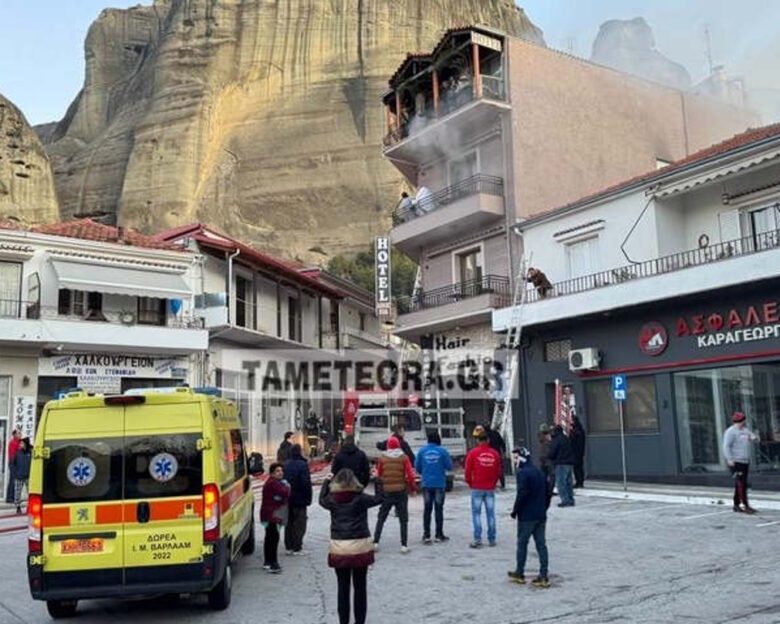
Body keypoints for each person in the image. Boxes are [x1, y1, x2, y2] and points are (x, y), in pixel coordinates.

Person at [320, 469, 383, 624]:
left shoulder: (332, 499)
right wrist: (377, 480)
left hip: (339, 547)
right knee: (360, 588)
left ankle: (344, 622)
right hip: (360, 547)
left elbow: (321, 500)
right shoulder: (361, 498)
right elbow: (380, 498)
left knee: (343, 588)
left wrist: (326, 482)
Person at [508, 447, 551, 588]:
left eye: (515, 458)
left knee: (522, 543)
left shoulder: (523, 474)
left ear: (520, 458)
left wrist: (515, 511)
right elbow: (548, 492)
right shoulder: (539, 472)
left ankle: (519, 572)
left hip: (527, 516)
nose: (514, 461)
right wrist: (544, 508)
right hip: (540, 515)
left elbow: (522, 494)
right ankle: (544, 575)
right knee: (541, 545)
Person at [373, 436, 416, 553]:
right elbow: (410, 475)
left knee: (381, 517)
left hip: (387, 491)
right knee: (403, 519)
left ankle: (375, 542)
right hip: (401, 491)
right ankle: (404, 545)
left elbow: (379, 474)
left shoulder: (382, 458)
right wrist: (412, 489)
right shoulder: (404, 458)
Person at [464, 426, 502, 548]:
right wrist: (493, 483)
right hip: (489, 488)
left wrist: (470, 483)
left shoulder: (473, 453)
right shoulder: (495, 454)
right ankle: (492, 539)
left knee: (476, 514)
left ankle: (478, 539)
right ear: (488, 440)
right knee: (490, 514)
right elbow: (498, 472)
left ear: (477, 441)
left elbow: (467, 471)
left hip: (477, 487)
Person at [415, 431, 453, 543]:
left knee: (427, 510)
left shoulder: (422, 451)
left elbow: (417, 467)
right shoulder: (443, 451)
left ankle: (426, 535)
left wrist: (425, 471)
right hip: (439, 484)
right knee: (439, 509)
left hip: (426, 484)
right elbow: (449, 466)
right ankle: (439, 534)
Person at [723, 411, 760, 514]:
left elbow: (752, 437)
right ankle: (744, 505)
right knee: (741, 484)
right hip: (736, 462)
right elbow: (726, 446)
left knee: (739, 484)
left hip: (745, 461)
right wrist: (729, 459)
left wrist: (756, 438)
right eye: (744, 420)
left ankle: (736, 505)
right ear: (742, 420)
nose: (745, 422)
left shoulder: (745, 431)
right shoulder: (730, 432)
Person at [260, 462, 290, 573]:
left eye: (281, 470)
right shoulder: (274, 483)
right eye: (277, 471)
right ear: (272, 472)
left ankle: (268, 562)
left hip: (268, 514)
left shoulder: (272, 482)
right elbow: (284, 493)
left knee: (269, 538)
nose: (280, 473)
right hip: (272, 515)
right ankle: (274, 563)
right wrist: (287, 486)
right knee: (273, 538)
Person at [282, 444, 312, 555]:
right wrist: (308, 498)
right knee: (299, 523)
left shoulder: (286, 464)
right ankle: (297, 546)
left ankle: (288, 545)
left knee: (289, 523)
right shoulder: (302, 465)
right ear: (300, 451)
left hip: (288, 499)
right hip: (300, 499)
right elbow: (306, 483)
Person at [548, 425, 575, 507]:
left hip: (560, 463)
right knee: (568, 483)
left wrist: (550, 457)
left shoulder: (556, 440)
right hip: (569, 463)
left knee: (561, 483)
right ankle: (570, 499)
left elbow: (552, 452)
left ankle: (565, 500)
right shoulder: (566, 438)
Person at [485, 422, 507, 490]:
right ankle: (502, 484)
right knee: (499, 470)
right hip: (497, 454)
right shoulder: (496, 433)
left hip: (489, 455)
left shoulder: (485, 436)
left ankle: (491, 484)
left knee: (489, 470)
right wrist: (504, 451)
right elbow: (502, 443)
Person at [12, 438, 31, 514]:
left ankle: (29, 507)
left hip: (28, 476)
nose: (20, 445)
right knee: (17, 492)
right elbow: (13, 463)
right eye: (20, 444)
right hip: (19, 476)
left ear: (26, 444)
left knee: (30, 493)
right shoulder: (17, 453)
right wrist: (15, 473)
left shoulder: (30, 453)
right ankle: (18, 507)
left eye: (22, 444)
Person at [537, 424, 555, 495]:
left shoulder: (540, 436)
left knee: (544, 475)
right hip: (548, 458)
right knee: (552, 475)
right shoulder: (547, 437)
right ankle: (549, 490)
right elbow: (551, 445)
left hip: (542, 457)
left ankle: (544, 490)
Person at [570, 416, 587, 488]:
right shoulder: (580, 430)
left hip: (576, 452)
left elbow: (574, 441)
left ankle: (579, 482)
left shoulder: (576, 431)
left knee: (577, 468)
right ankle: (580, 481)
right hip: (580, 452)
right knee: (579, 467)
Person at [5, 429, 21, 503]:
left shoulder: (19, 442)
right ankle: (10, 498)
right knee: (12, 480)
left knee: (15, 480)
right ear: (14, 435)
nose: (20, 435)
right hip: (13, 463)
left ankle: (13, 497)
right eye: (18, 433)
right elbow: (13, 455)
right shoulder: (13, 443)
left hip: (16, 463)